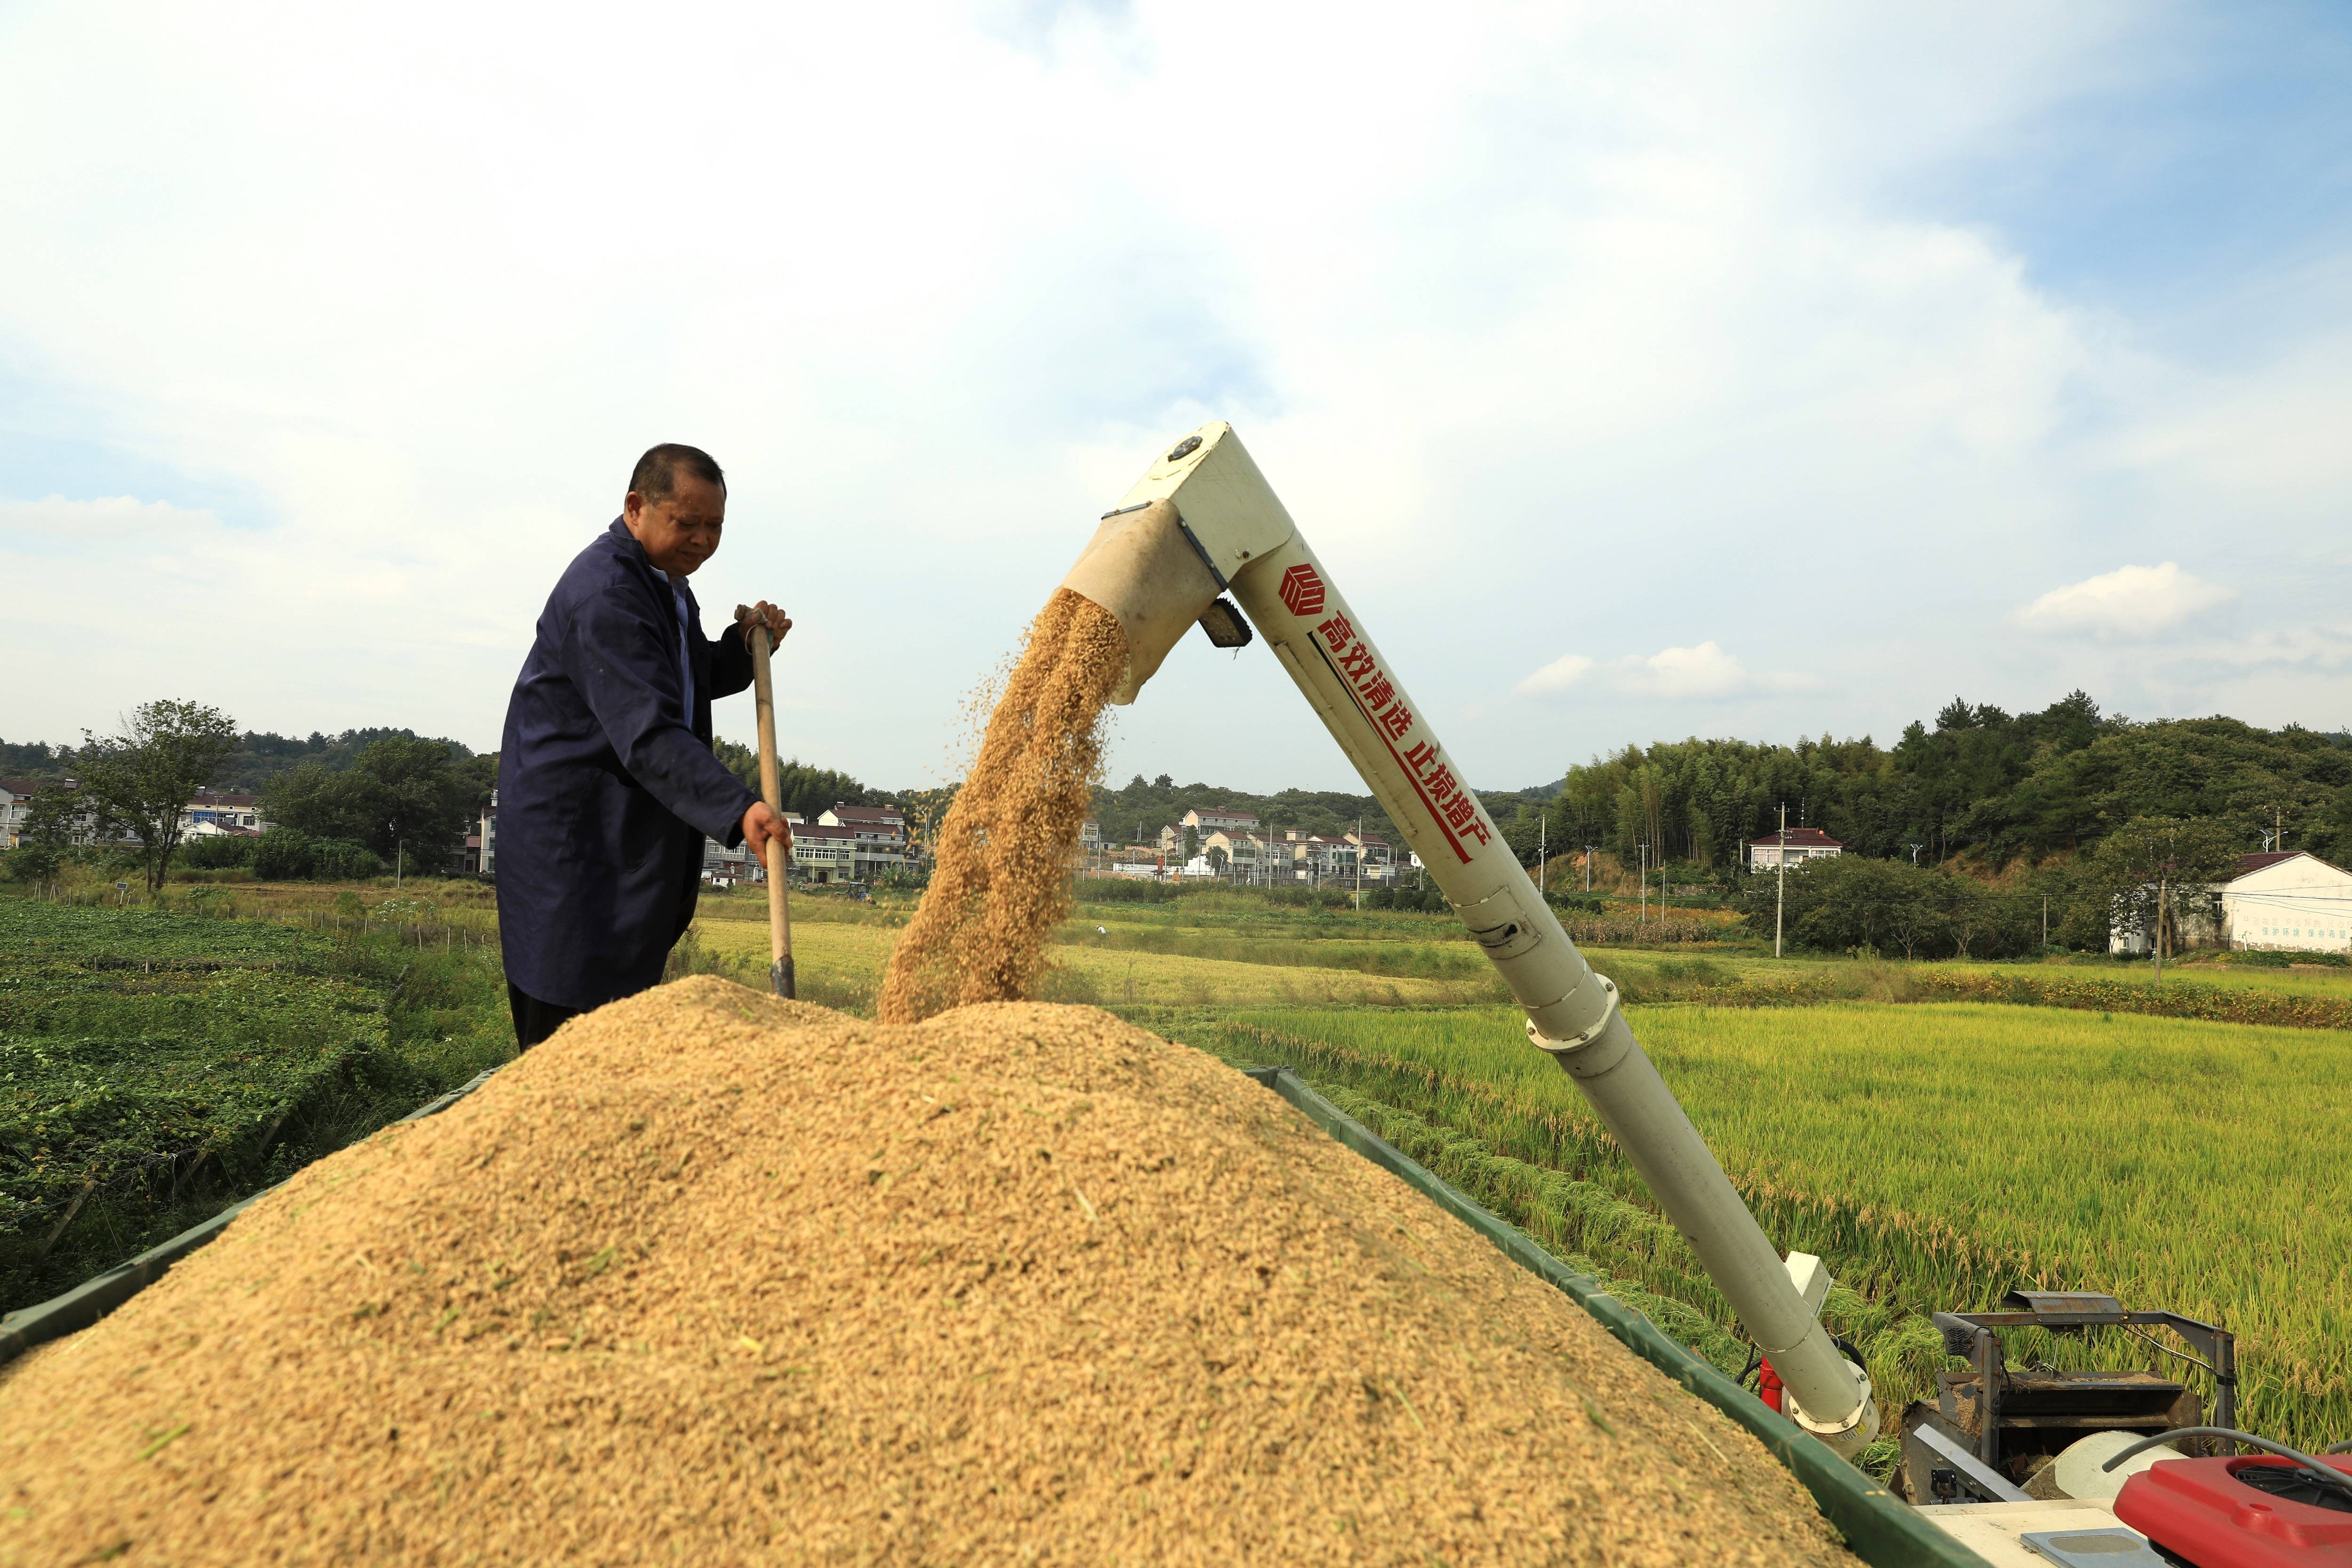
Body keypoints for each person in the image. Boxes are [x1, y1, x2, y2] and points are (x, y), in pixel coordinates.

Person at [495, 443, 792, 1049]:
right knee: (571, 1034)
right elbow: (649, 733)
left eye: (715, 527)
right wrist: (739, 809)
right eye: (688, 523)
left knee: (620, 1027)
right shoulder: (606, 594)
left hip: (628, 844)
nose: (703, 540)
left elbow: (689, 675)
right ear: (636, 507)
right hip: (577, 853)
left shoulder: (667, 585)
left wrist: (743, 648)